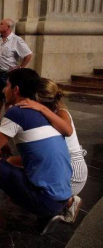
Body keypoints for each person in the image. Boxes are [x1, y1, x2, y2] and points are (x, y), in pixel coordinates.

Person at [0, 68, 72, 238]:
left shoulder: (17, 112)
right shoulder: (42, 112)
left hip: (45, 201)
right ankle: (48, 212)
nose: (4, 89)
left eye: (7, 85)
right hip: (62, 197)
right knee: (10, 161)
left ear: (16, 90)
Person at [15, 78, 87, 223]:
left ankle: (68, 202)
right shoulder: (49, 112)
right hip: (63, 165)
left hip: (72, 171)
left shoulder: (61, 112)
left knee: (18, 172)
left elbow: (67, 130)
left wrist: (41, 109)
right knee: (15, 162)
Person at [0, 18, 32, 125]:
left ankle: (9, 118)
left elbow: (28, 54)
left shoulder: (16, 40)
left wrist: (21, 67)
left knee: (8, 96)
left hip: (7, 73)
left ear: (8, 27)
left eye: (1, 24)